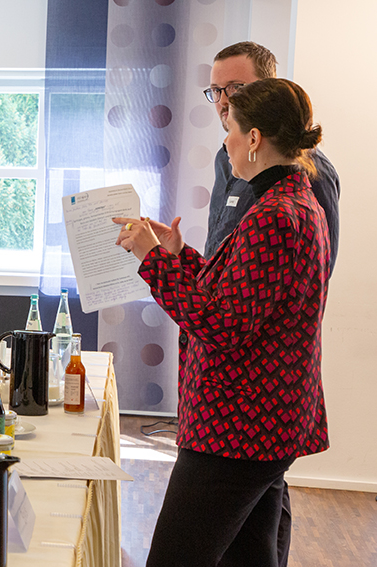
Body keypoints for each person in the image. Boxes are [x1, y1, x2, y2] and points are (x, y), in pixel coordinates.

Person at [114, 78, 330, 566]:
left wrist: (152, 258)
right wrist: (178, 254)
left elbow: (222, 324)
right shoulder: (293, 204)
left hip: (238, 429)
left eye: (230, 129)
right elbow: (238, 297)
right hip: (265, 423)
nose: (226, 141)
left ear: (253, 138)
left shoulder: (274, 215)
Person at [204, 41, 340, 275]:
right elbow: (218, 265)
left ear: (268, 90)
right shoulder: (224, 158)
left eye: (235, 87)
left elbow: (315, 271)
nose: (224, 100)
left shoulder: (308, 169)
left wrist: (157, 262)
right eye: (216, 90)